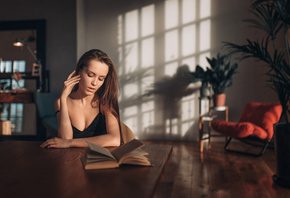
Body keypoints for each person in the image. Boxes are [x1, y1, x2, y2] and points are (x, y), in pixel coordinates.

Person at [41, 49, 121, 148]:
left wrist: (71, 143)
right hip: (72, 160)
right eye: (90, 75)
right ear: (79, 71)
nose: (95, 83)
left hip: (101, 161)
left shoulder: (105, 101)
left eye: (101, 79)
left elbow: (115, 139)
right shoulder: (61, 102)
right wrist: (63, 98)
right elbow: (64, 139)